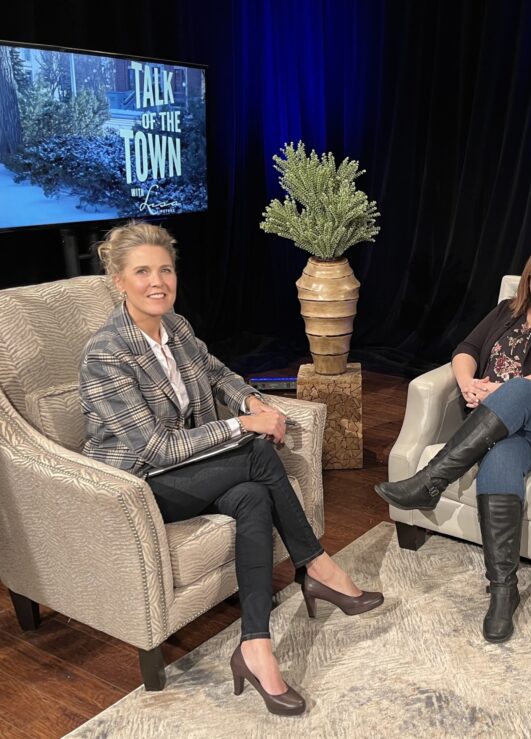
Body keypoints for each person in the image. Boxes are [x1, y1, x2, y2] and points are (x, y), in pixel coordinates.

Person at [79, 220, 382, 717]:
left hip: (188, 467)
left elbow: (217, 371)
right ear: (119, 282)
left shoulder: (175, 327)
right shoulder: (106, 353)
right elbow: (154, 448)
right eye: (142, 272)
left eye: (166, 270)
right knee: (258, 450)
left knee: (253, 496)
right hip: (137, 485)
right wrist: (246, 423)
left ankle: (255, 646)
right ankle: (318, 567)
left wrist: (248, 397)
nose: (158, 282)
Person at [375, 241, 531, 643]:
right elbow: (466, 350)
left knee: (517, 393)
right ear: (527, 279)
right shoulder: (505, 312)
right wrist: (468, 384)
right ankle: (502, 590)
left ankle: (430, 481)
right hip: (511, 430)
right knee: (502, 458)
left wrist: (499, 391)